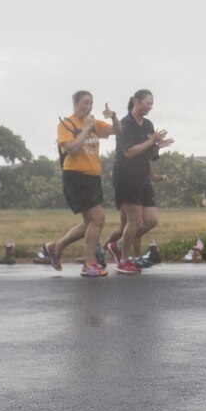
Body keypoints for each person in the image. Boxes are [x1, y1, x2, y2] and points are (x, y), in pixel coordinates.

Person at [43, 90, 122, 277]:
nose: (88, 107)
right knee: (98, 218)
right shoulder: (66, 124)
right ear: (76, 104)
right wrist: (86, 129)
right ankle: (89, 264)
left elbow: (118, 131)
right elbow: (72, 149)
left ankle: (56, 247)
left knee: (89, 223)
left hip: (93, 177)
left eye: (91, 103)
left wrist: (114, 117)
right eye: (85, 103)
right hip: (76, 176)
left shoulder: (95, 124)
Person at [104, 89, 172, 274]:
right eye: (147, 103)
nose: (149, 107)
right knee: (133, 220)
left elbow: (150, 155)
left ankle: (117, 246)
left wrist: (157, 147)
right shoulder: (125, 124)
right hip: (126, 175)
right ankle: (124, 260)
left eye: (151, 104)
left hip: (143, 176)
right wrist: (152, 143)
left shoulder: (148, 124)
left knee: (151, 220)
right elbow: (129, 152)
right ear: (136, 101)